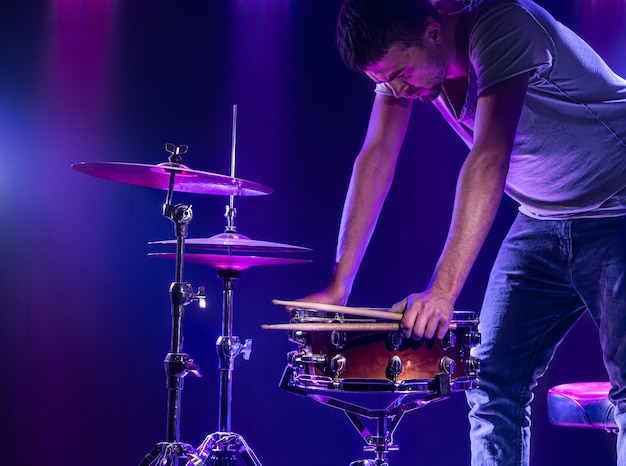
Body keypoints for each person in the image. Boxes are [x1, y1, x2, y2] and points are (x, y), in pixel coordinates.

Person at [299, 0, 626, 464]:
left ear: (433, 32)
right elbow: (375, 159)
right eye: (382, 81)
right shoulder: (406, 65)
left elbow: (490, 156)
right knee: (490, 384)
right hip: (542, 216)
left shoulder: (502, 24)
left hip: (619, 206)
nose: (395, 88)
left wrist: (442, 292)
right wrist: (339, 286)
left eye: (399, 73)